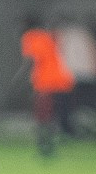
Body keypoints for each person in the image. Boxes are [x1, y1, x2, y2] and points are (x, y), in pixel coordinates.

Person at [20, 16, 73, 158]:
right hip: (62, 81)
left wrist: (19, 80)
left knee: (42, 117)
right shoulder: (46, 36)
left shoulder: (31, 36)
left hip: (46, 83)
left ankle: (45, 149)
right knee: (51, 117)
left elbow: (32, 60)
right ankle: (49, 148)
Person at [56, 16, 96, 139]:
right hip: (89, 75)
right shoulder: (85, 34)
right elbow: (94, 54)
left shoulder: (63, 35)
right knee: (91, 103)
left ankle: (70, 132)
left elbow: (61, 57)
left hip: (71, 76)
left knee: (66, 105)